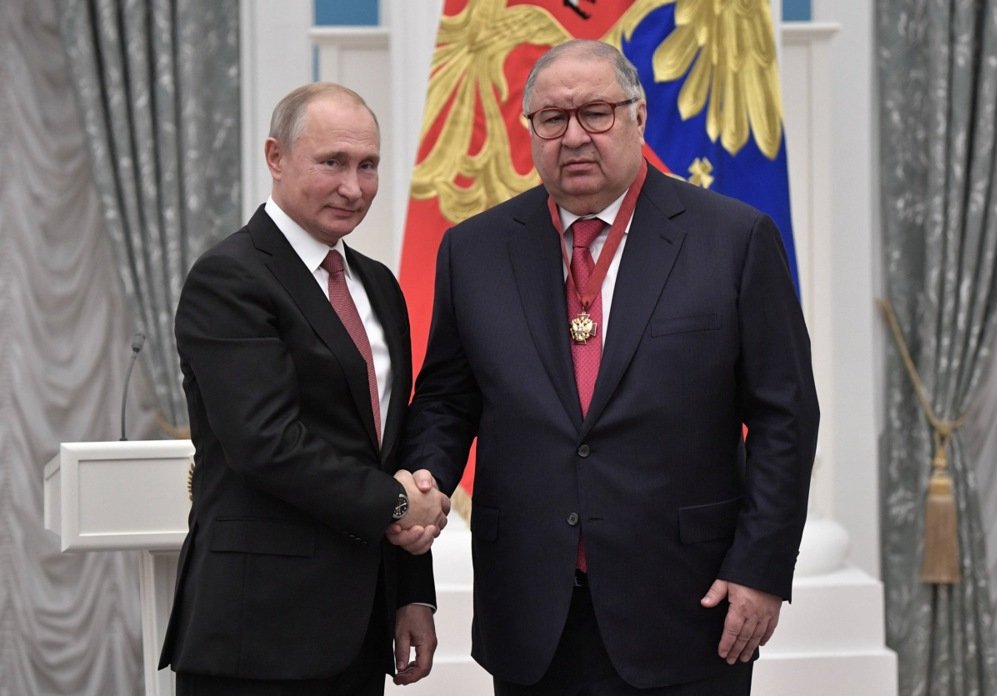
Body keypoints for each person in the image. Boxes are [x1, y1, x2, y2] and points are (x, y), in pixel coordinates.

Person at [402, 40, 820, 695]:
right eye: (552, 119)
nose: (574, 137)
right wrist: (425, 479)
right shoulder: (474, 250)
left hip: (689, 608)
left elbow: (784, 417)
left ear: (639, 117)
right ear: (530, 130)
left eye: (596, 113)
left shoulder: (733, 240)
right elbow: (447, 401)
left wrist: (761, 567)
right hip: (532, 614)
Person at [158, 82, 451, 696]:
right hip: (256, 633)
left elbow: (388, 450)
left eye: (367, 165)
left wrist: (412, 594)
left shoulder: (379, 285)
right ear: (276, 157)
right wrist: (398, 505)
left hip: (361, 631)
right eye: (332, 163)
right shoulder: (230, 277)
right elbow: (265, 443)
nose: (353, 187)